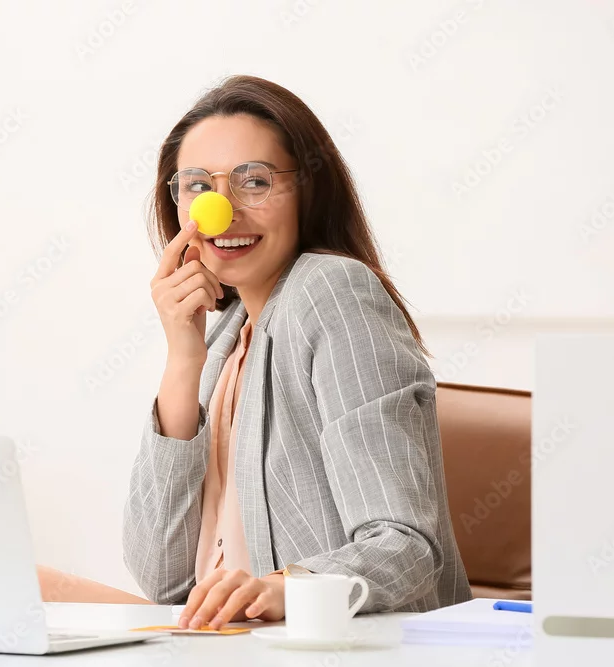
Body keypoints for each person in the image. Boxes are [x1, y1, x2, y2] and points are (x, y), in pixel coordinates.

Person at [38, 75, 472, 630]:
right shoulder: (226, 333)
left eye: (256, 182)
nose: (222, 211)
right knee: (21, 584)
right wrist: (183, 360)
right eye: (199, 187)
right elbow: (163, 578)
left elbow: (404, 547)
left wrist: (279, 589)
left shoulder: (331, 292)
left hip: (328, 647)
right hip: (230, 643)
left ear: (309, 192)